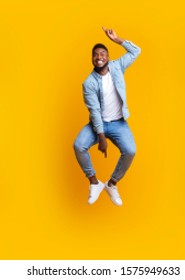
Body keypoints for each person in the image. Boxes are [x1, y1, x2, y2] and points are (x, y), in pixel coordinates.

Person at [74, 27, 140, 206]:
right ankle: (94, 182)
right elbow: (94, 111)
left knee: (130, 151)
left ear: (108, 57)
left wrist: (117, 39)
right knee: (79, 145)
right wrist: (101, 137)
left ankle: (112, 184)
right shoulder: (88, 83)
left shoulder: (117, 66)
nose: (99, 57)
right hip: (98, 124)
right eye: (95, 54)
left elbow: (136, 51)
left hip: (119, 123)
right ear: (92, 59)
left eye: (102, 53)